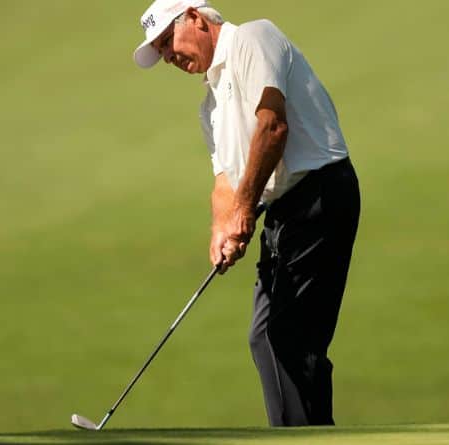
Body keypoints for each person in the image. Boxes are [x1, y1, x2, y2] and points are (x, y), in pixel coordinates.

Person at [133, 0, 361, 426]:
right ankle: (293, 434)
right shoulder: (210, 107)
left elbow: (272, 126)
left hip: (320, 194)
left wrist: (242, 210)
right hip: (282, 209)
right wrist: (222, 227)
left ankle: (309, 436)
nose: (167, 57)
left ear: (197, 19)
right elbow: (225, 181)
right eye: (160, 52)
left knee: (291, 337)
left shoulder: (255, 37)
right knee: (264, 337)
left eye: (167, 41)